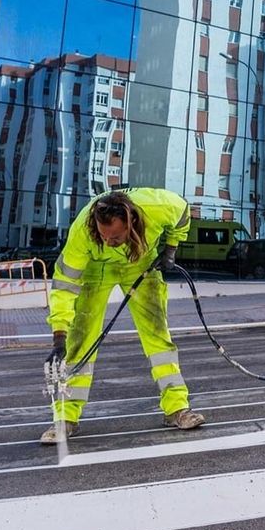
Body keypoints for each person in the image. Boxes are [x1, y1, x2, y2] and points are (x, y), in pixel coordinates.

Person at [41, 188, 204, 444]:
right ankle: (65, 418)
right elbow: (64, 286)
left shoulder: (157, 207)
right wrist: (59, 336)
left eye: (115, 237)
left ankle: (177, 409)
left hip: (140, 261)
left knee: (158, 335)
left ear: (132, 223)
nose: (108, 241)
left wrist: (171, 248)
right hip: (96, 269)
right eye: (103, 235)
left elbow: (184, 212)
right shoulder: (82, 232)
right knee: (80, 341)